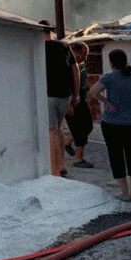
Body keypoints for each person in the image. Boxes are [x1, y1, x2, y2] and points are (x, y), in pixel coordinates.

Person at [89, 49, 131, 202]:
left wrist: (106, 102)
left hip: (112, 124)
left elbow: (93, 91)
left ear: (111, 62)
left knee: (116, 157)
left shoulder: (108, 78)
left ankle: (125, 193)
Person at [45, 39, 79, 177]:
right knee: (59, 128)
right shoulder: (64, 45)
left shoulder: (38, 45)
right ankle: (62, 165)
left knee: (52, 131)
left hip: (48, 94)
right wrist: (75, 95)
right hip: (65, 94)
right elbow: (75, 69)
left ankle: (54, 171)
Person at [64, 42, 94, 169]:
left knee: (87, 126)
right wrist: (70, 101)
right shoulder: (67, 65)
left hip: (81, 98)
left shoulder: (81, 66)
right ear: (75, 51)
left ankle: (67, 142)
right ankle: (78, 159)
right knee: (80, 129)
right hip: (72, 100)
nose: (85, 57)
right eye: (83, 54)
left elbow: (84, 81)